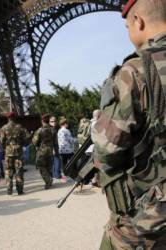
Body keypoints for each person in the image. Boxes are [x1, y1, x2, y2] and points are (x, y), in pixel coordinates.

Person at [91, 1, 166, 249]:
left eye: (127, 26)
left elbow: (106, 154)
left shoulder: (134, 72)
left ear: (138, 21)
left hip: (151, 224)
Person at [0, 112, 28, 195]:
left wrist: (6, 147)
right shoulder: (20, 127)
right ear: (14, 117)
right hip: (18, 152)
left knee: (8, 171)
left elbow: (1, 141)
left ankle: (9, 189)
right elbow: (26, 138)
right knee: (19, 171)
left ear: (7, 118)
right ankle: (20, 190)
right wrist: (21, 143)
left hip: (8, 152)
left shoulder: (3, 128)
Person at [32, 114, 54, 189]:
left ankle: (48, 181)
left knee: (40, 165)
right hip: (50, 149)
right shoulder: (53, 129)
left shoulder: (40, 130)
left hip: (42, 150)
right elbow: (56, 141)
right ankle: (49, 181)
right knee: (49, 166)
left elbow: (34, 142)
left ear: (42, 121)